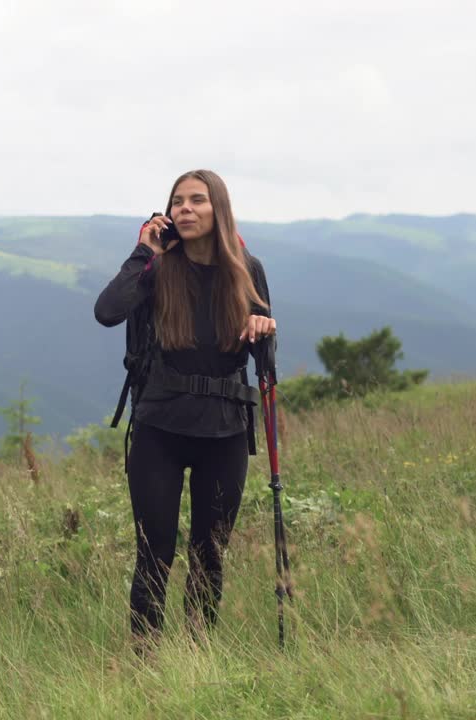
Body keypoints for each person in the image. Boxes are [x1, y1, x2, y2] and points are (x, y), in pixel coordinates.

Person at [94, 169, 276, 649]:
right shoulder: (155, 269)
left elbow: (265, 363)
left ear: (219, 209)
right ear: (167, 213)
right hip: (159, 430)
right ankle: (145, 660)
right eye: (178, 202)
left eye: (198, 200)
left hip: (225, 430)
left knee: (209, 555)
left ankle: (198, 657)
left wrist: (264, 329)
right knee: (154, 553)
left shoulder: (247, 268)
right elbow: (107, 311)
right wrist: (145, 251)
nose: (186, 209)